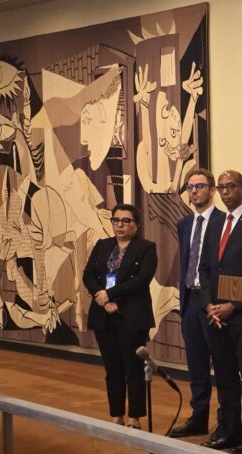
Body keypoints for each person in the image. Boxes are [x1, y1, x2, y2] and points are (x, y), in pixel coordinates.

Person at [197, 170, 242, 452]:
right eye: (222, 187)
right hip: (215, 314)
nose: (226, 192)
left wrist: (233, 305)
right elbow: (203, 269)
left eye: (231, 187)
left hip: (241, 315)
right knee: (225, 377)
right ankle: (230, 432)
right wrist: (209, 305)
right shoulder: (215, 224)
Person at [82, 204, 158, 428]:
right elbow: (89, 276)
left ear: (136, 225)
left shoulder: (146, 247)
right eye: (116, 220)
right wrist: (102, 298)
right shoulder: (102, 245)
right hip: (104, 315)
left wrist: (111, 295)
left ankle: (134, 417)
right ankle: (116, 414)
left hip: (132, 315)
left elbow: (142, 279)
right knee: (112, 368)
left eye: (126, 221)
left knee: (133, 368)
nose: (120, 225)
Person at [169, 168, 224, 439]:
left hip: (213, 303)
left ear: (212, 190)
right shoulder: (184, 224)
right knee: (197, 363)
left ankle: (226, 423)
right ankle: (198, 417)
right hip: (190, 300)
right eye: (190, 187)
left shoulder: (224, 221)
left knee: (222, 364)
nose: (194, 192)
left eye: (200, 186)